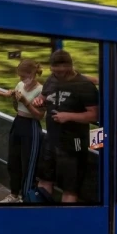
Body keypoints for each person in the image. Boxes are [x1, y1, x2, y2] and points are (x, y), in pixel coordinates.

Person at [33, 50, 100, 203]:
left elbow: (94, 115)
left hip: (75, 141)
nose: (61, 72)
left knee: (70, 187)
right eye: (57, 69)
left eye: (64, 68)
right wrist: (39, 101)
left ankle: (66, 219)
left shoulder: (84, 85)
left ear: (70, 66)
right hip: (51, 138)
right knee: (44, 179)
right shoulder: (51, 80)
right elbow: (43, 97)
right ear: (51, 68)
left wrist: (68, 116)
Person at [2, 58, 44, 203]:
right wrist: (15, 99)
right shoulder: (20, 84)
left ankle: (26, 195)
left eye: (23, 76)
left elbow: (40, 115)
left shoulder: (40, 90)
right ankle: (14, 193)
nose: (21, 79)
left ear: (32, 74)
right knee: (13, 160)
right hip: (18, 122)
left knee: (28, 162)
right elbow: (17, 108)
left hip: (31, 126)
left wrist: (26, 102)